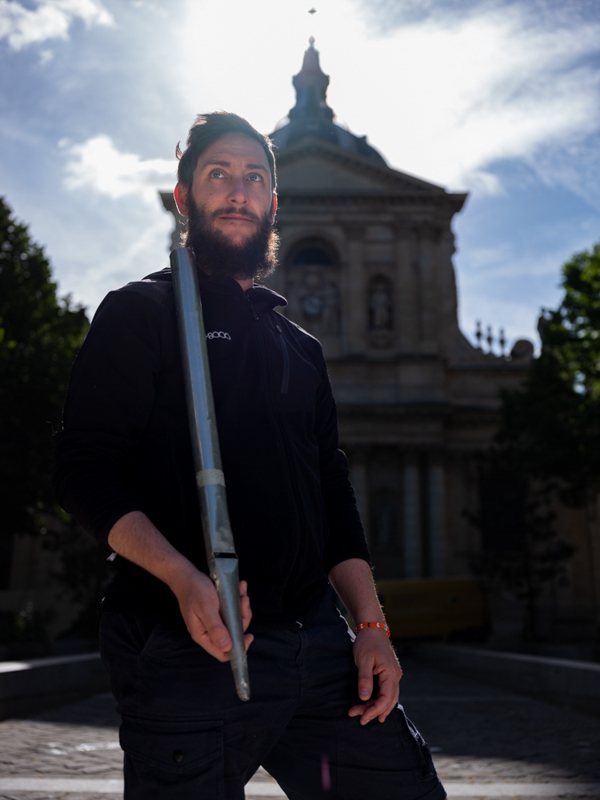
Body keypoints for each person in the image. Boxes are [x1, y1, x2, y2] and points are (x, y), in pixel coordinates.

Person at [54, 112, 446, 800]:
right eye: (218, 174)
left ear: (272, 203)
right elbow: (83, 470)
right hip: (188, 642)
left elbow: (334, 496)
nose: (238, 191)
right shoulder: (138, 313)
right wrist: (181, 577)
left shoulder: (301, 348)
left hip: (320, 650)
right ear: (183, 198)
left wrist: (373, 624)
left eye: (254, 178)